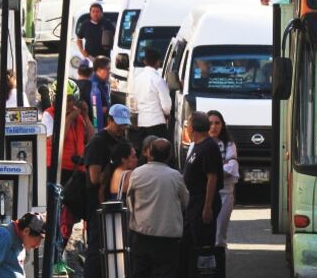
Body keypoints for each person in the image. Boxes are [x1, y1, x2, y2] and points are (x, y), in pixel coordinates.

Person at [127, 139, 189, 278]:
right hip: (167, 238)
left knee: (140, 273)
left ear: (150, 153)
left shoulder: (137, 173)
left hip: (141, 234)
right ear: (169, 155)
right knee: (166, 272)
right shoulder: (175, 176)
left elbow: (130, 199)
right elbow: (185, 201)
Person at [83, 104, 131, 278]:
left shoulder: (123, 141)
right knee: (97, 247)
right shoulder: (98, 141)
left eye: (125, 125)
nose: (122, 129)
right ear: (109, 121)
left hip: (116, 202)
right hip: (97, 203)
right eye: (119, 125)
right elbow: (94, 178)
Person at [182, 111, 223, 276]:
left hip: (203, 202)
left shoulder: (209, 147)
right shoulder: (196, 146)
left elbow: (212, 178)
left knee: (203, 245)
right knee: (188, 242)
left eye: (188, 125)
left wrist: (207, 206)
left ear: (192, 128)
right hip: (192, 202)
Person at [207, 110, 238, 256]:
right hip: (204, 194)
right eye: (210, 123)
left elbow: (231, 168)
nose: (214, 127)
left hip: (225, 194)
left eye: (217, 123)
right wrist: (221, 164)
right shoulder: (199, 144)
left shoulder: (229, 144)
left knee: (219, 234)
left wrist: (212, 168)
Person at [131, 49, 171, 144]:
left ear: (145, 61)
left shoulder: (137, 79)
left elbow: (134, 103)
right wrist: (167, 113)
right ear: (157, 62)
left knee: (145, 153)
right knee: (159, 152)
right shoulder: (158, 79)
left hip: (142, 122)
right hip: (157, 123)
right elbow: (166, 104)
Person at [0, 212, 46, 277]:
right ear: (26, 231)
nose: (38, 245)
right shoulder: (3, 235)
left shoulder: (21, 239)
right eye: (39, 239)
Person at [87, 57, 112, 131]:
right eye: (107, 69)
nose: (109, 72)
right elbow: (97, 113)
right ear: (98, 70)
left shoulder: (103, 82)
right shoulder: (95, 87)